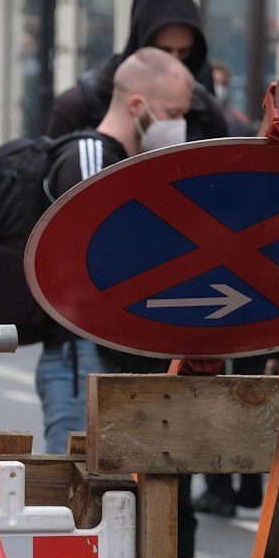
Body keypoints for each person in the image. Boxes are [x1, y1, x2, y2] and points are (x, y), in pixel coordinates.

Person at [36, 48, 193, 455]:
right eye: (173, 113)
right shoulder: (91, 156)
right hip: (83, 352)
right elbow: (98, 258)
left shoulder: (129, 162)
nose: (180, 125)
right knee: (77, 486)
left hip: (105, 352)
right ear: (137, 104)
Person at [47, 0, 233, 141]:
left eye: (184, 52)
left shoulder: (205, 111)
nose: (174, 63)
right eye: (163, 50)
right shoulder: (78, 106)